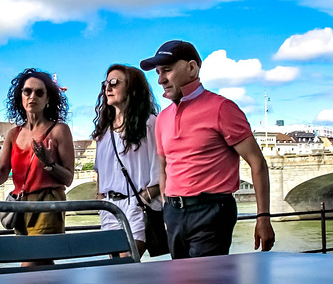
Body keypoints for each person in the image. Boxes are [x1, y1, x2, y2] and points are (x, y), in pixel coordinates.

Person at [140, 40, 275, 259]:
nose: (160, 79)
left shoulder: (222, 108)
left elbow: (257, 162)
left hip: (211, 210)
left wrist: (263, 217)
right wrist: (167, 208)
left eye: (167, 70)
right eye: (157, 72)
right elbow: (164, 167)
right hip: (174, 212)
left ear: (192, 68)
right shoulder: (163, 118)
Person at [0, 68, 75, 266]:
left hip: (47, 204)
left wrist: (49, 163)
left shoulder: (59, 130)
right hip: (20, 207)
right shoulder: (13, 134)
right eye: (27, 91)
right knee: (41, 263)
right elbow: (0, 178)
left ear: (48, 98)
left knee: (31, 262)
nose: (32, 96)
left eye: (39, 92)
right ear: (20, 96)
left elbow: (68, 179)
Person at [92, 64, 161, 257]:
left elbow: (163, 167)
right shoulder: (103, 132)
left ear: (132, 88)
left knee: (126, 261)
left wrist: (144, 198)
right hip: (109, 206)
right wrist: (100, 198)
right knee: (115, 267)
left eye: (114, 83)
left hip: (137, 203)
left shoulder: (149, 123)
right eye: (105, 84)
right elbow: (100, 172)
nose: (108, 88)